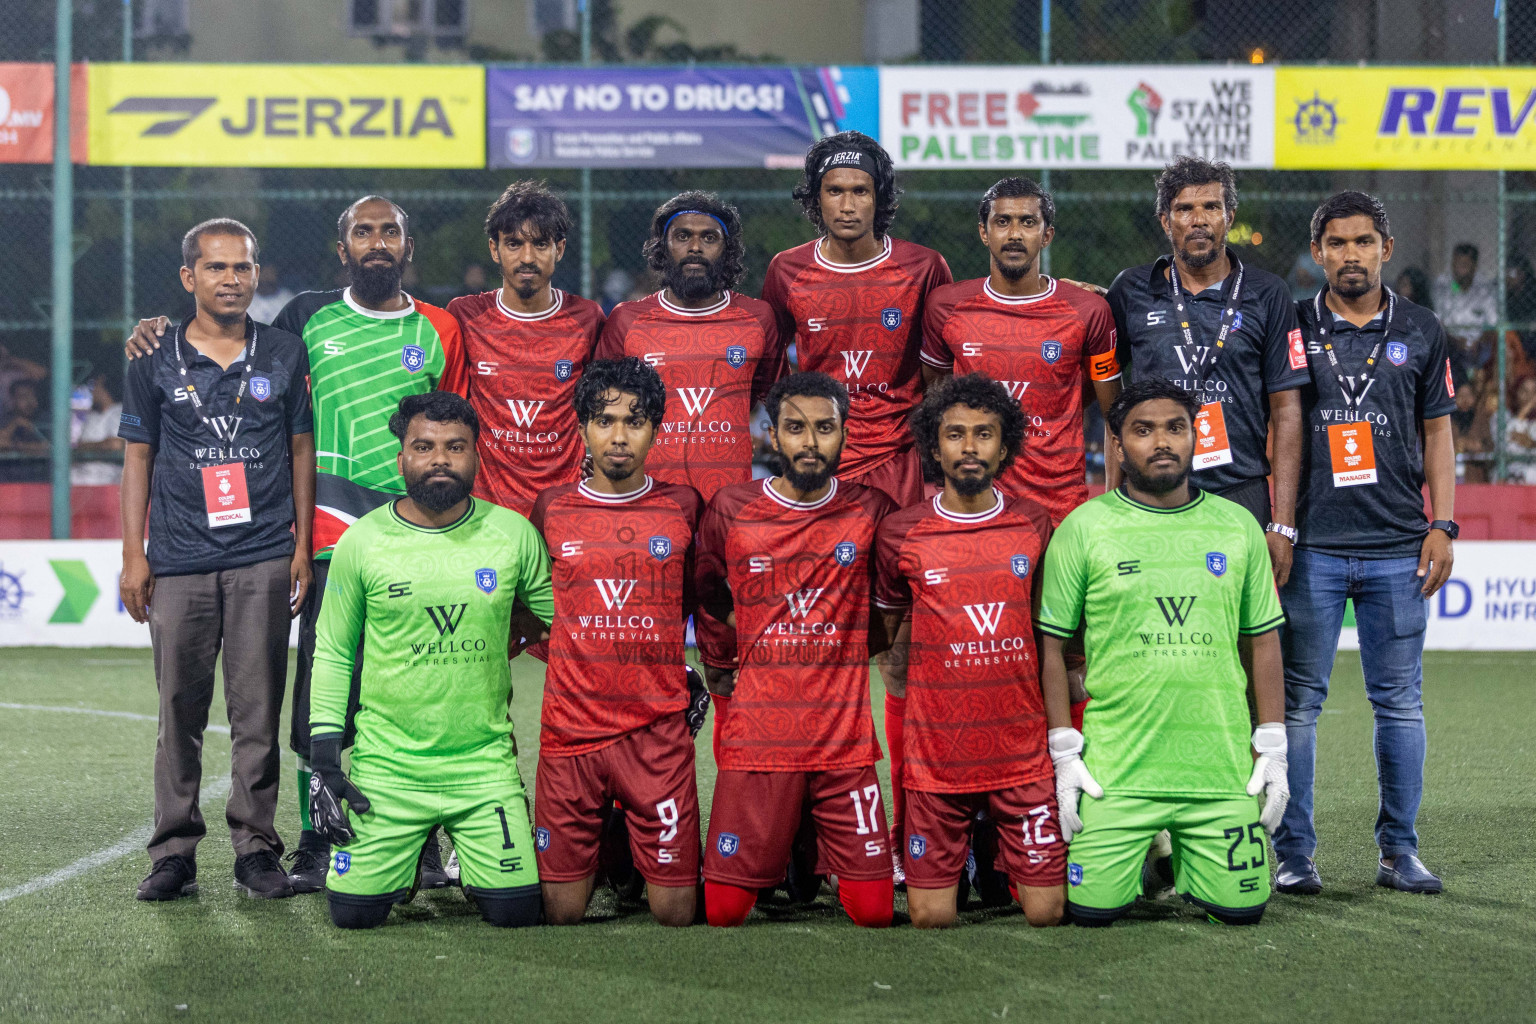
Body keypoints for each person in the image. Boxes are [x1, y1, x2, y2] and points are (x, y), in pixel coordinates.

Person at [123, 194, 469, 892]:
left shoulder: (430, 328)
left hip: (386, 543)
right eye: (362, 233)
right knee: (293, 700)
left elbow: (447, 428)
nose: (377, 243)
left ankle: (402, 842)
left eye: (390, 232)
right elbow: (152, 437)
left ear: (408, 246)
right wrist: (136, 553)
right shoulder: (301, 321)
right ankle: (266, 843)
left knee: (416, 691)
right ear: (341, 250)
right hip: (296, 549)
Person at [1039, 378, 1289, 926]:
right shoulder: (1083, 529)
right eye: (1143, 430)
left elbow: (1264, 639)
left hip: (1218, 775)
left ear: (1195, 435)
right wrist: (1063, 753)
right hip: (1117, 776)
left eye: (1176, 427)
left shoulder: (1237, 526)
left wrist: (1273, 746)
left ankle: (1166, 868)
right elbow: (1052, 647)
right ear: (1117, 441)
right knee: (1089, 913)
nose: (1162, 442)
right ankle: (1147, 858)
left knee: (1243, 912)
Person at [118, 218, 315, 902]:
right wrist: (133, 555)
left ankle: (257, 852)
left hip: (263, 553)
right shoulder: (151, 355)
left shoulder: (285, 352)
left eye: (243, 268)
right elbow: (137, 455)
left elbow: (299, 451)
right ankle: (173, 851)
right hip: (176, 559)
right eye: (217, 268)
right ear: (188, 278)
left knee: (258, 712)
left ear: (257, 274)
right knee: (179, 710)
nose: (232, 279)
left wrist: (301, 546)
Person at [307, 391, 553, 929]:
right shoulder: (362, 541)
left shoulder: (513, 534)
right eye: (424, 446)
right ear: (401, 458)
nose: (440, 458)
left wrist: (660, 668)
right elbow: (332, 651)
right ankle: (401, 866)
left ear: (476, 456)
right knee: (351, 914)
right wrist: (325, 759)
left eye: (455, 447)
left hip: (482, 768)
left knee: (516, 913)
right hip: (388, 771)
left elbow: (571, 629)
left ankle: (470, 860)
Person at [1275, 191, 1458, 896]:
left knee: (1400, 703)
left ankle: (1398, 852)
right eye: (1336, 243)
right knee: (1298, 706)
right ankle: (1295, 854)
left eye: (1364, 241)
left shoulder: (1422, 326)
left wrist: (1442, 522)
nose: (1351, 254)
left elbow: (1438, 429)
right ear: (1317, 252)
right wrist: (1282, 526)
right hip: (1313, 545)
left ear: (1385, 247)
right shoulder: (1291, 324)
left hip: (1398, 546)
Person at [693, 371, 898, 928]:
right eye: (796, 428)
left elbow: (892, 610)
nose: (811, 442)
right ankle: (784, 856)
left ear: (845, 433)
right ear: (772, 434)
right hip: (761, 741)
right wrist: (747, 643)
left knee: (876, 914)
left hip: (844, 746)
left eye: (825, 429)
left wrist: (849, 644)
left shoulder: (873, 511)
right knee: (723, 912)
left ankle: (802, 857)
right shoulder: (732, 508)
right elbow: (708, 592)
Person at [873, 374, 1065, 929]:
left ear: (1005, 447)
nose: (970, 447)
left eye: (984, 434)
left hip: (1020, 756)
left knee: (1048, 913)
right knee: (931, 918)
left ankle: (995, 855)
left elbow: (1045, 629)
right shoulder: (901, 533)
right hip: (937, 762)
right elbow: (887, 635)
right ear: (934, 447)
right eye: (955, 435)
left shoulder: (1034, 522)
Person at [528, 357, 705, 927]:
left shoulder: (683, 506)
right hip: (570, 733)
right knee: (561, 913)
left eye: (635, 421)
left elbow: (695, 597)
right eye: (605, 421)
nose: (619, 436)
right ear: (582, 428)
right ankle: (613, 842)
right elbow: (532, 608)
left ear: (657, 428)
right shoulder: (551, 508)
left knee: (676, 914)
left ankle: (626, 844)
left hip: (656, 735)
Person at [1106, 156, 1306, 585]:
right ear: (1165, 220)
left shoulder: (1268, 294)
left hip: (1240, 491)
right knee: (1154, 630)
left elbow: (1288, 411)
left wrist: (1283, 524)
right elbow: (1114, 406)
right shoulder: (1131, 290)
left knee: (1244, 636)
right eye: (1184, 209)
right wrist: (1112, 500)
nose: (1198, 220)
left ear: (1229, 217)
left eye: (1211, 208)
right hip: (1151, 492)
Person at [762, 130, 953, 509]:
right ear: (817, 198)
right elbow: (769, 357)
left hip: (897, 456)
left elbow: (950, 359)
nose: (847, 205)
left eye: (860, 191)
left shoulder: (924, 268)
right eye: (835, 191)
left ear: (878, 197)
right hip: (819, 453)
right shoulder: (787, 270)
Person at [921, 176, 1123, 524]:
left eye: (1028, 222)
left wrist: (1115, 506)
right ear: (984, 232)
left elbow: (1116, 417)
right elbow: (936, 400)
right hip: (975, 507)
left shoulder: (1088, 310)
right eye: (1003, 222)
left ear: (1047, 235)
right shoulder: (945, 307)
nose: (1014, 234)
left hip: (1061, 510)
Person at [596, 191, 785, 501]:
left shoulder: (758, 318)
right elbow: (600, 408)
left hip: (729, 501)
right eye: (683, 236)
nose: (695, 247)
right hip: (648, 500)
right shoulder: (626, 321)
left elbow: (772, 396)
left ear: (727, 250)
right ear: (663, 246)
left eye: (709, 238)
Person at [449, 181, 606, 517]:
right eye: (514, 244)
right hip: (487, 510)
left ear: (559, 249)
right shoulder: (465, 316)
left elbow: (603, 406)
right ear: (494, 249)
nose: (527, 257)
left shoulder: (588, 319)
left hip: (567, 508)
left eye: (541, 243)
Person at [1432, 242, 1498, 380]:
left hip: (1480, 345)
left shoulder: (1484, 287)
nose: (1459, 269)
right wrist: (1457, 342)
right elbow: (1438, 323)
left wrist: (1479, 342)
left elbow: (1493, 324)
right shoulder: (1442, 285)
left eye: (1465, 265)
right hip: (1452, 342)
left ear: (1474, 266)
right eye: (1457, 264)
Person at [70, 374, 125, 485]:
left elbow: (116, 444)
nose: (92, 391)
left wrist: (83, 446)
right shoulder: (91, 416)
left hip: (106, 481)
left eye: (95, 385)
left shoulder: (119, 411)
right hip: (80, 478)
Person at [0, 378, 48, 455]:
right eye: (23, 396)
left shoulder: (45, 419)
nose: (29, 401)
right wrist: (14, 424)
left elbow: (50, 446)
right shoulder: (5, 420)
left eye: (33, 396)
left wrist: (20, 446)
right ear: (12, 400)